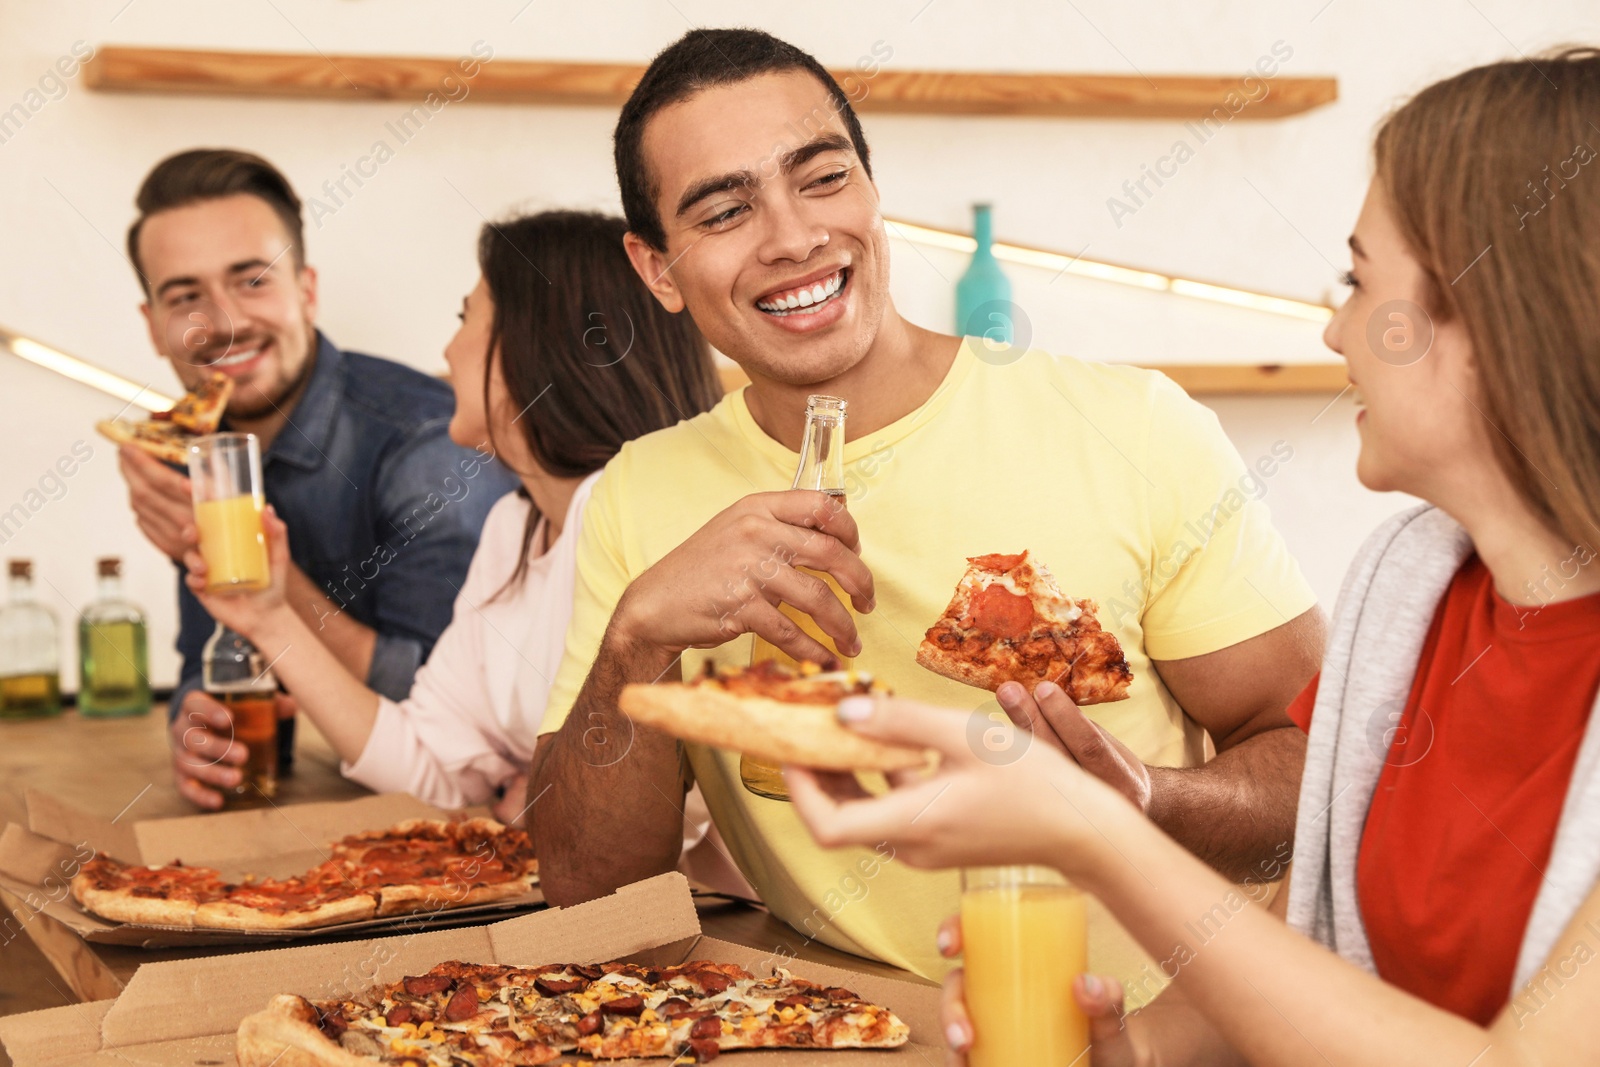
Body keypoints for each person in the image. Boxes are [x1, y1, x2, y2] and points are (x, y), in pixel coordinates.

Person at [787, 48, 1600, 1063]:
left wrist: (1100, 837)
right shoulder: (1415, 588)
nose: (1335, 328)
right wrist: (1131, 1047)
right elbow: (1329, 983)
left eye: (1357, 279)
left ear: (1497, 319)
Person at [527, 27, 1325, 989]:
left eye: (822, 178)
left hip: (1155, 1038)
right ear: (657, 268)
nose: (793, 236)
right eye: (726, 210)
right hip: (842, 1034)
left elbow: (1319, 775)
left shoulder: (1135, 427)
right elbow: (589, 898)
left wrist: (1141, 801)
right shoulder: (641, 494)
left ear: (871, 191)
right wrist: (638, 641)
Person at [177, 210, 744, 889]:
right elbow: (430, 762)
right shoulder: (516, 525)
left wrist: (537, 800)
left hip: (708, 931)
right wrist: (268, 617)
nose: (447, 352)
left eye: (466, 316)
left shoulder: (625, 516)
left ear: (534, 344)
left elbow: (663, 811)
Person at [116, 148, 515, 809]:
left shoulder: (426, 441)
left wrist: (246, 562)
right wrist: (195, 718)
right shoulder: (194, 447)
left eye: (252, 281)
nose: (225, 322)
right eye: (185, 296)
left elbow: (463, 716)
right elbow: (210, 651)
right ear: (155, 327)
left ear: (306, 289)